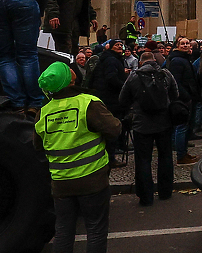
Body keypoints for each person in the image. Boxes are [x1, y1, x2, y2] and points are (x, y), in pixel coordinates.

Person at [34, 62, 121, 253]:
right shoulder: (87, 103)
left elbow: (38, 146)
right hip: (92, 180)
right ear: (71, 80)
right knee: (96, 229)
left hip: (61, 183)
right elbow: (114, 129)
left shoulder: (43, 112)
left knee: (64, 230)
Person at [118, 52, 178, 206]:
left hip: (141, 124)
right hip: (164, 122)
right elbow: (175, 95)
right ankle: (165, 192)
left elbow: (122, 99)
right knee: (165, 157)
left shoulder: (134, 77)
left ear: (140, 62)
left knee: (143, 160)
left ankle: (146, 197)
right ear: (155, 61)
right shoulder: (165, 74)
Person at [90, 39, 128, 168]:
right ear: (110, 47)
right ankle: (110, 158)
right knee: (111, 128)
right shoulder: (112, 60)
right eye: (117, 45)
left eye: (121, 45)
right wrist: (124, 88)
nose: (120, 46)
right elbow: (111, 78)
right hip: (110, 99)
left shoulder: (110, 59)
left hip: (105, 97)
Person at [167, 36, 200, 164]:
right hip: (184, 99)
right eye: (183, 44)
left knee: (185, 127)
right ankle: (181, 155)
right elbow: (176, 81)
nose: (186, 45)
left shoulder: (185, 59)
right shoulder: (177, 61)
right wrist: (185, 96)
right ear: (177, 46)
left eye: (187, 43)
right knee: (182, 127)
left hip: (189, 96)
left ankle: (184, 152)